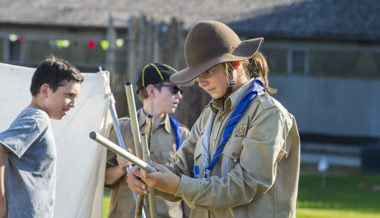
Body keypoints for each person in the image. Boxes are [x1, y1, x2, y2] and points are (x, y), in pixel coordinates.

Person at [127, 21, 300, 218]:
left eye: (207, 71)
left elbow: (247, 183)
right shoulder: (208, 116)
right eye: (197, 75)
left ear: (235, 63)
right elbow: (183, 170)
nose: (201, 83)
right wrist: (149, 176)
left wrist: (179, 185)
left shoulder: (268, 115)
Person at [0, 56, 84, 218]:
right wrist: (1, 203)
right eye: (69, 95)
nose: (73, 104)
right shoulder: (38, 119)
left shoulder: (34, 117)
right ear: (45, 90)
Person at [105, 63, 190, 218]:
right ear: (151, 90)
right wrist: (121, 168)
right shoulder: (120, 129)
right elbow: (103, 179)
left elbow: (188, 187)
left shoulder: (183, 135)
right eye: (174, 89)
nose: (179, 95)